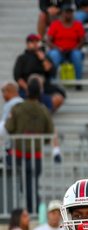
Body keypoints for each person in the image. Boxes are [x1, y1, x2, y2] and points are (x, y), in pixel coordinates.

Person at [5, 79, 58, 213]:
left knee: (11, 187)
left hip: (16, 155)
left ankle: (12, 213)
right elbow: (49, 132)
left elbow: (9, 127)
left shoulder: (17, 108)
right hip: (35, 156)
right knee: (32, 187)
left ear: (27, 92)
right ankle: (33, 212)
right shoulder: (44, 110)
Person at [14, 34, 65, 113]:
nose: (35, 44)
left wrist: (43, 59)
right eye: (32, 42)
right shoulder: (22, 58)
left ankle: (45, 114)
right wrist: (29, 88)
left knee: (59, 96)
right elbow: (17, 77)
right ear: (27, 44)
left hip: (44, 88)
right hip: (27, 88)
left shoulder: (45, 57)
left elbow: (52, 72)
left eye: (37, 42)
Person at [46, 4, 86, 81]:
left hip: (73, 50)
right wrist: (58, 48)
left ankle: (78, 80)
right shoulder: (55, 24)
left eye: (70, 12)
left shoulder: (78, 25)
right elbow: (49, 41)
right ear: (62, 13)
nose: (69, 14)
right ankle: (51, 79)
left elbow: (82, 41)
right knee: (54, 55)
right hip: (58, 50)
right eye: (67, 12)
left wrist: (73, 49)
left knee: (77, 54)